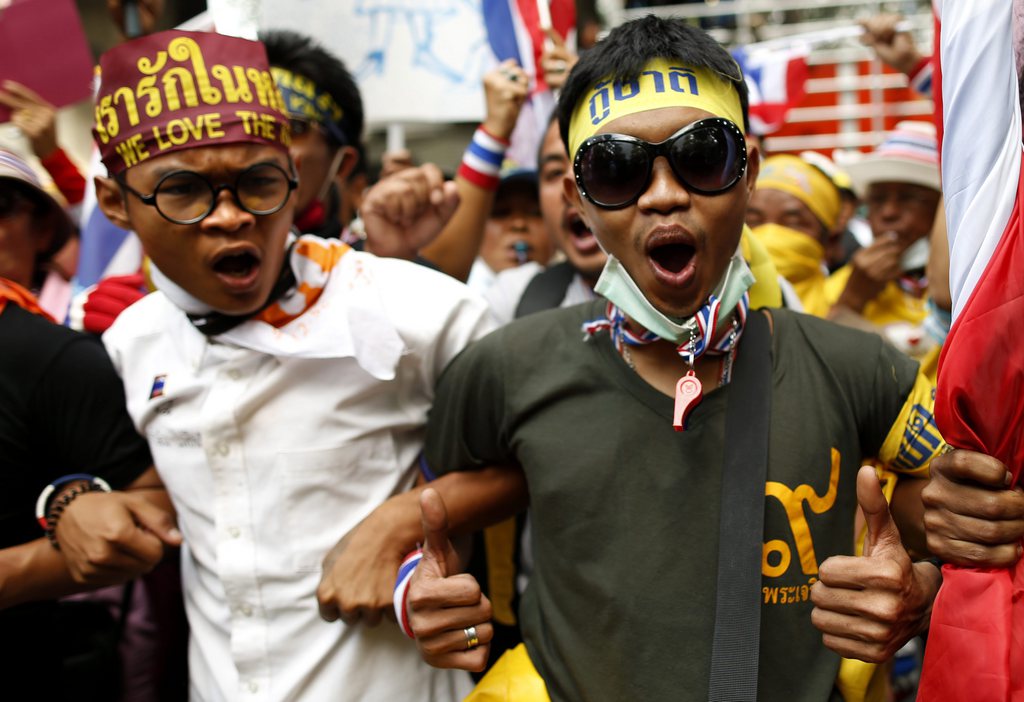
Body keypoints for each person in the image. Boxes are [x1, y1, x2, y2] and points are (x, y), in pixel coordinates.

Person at [390, 17, 968, 701]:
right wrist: (413, 594)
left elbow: (976, 518)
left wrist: (919, 587)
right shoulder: (504, 368)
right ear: (578, 201)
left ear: (748, 171)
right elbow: (418, 520)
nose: (663, 193)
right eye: (617, 169)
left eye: (702, 156)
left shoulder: (853, 367)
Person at [59, 29, 500, 701]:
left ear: (296, 182)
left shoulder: (414, 309)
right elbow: (155, 495)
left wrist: (405, 520)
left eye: (258, 183)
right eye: (184, 191)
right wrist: (69, 502)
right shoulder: (130, 344)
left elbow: (556, 439)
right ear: (116, 204)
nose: (231, 217)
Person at [0, 149, 174, 698]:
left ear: (42, 225)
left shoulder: (53, 357)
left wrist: (63, 506)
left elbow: (158, 513)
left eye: (0, 205)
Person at [823, 121, 942, 358]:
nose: (888, 213)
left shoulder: (968, 286)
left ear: (942, 209)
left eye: (910, 199)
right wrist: (852, 300)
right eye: (877, 200)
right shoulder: (839, 288)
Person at [746, 153, 843, 317]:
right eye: (754, 221)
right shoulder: (718, 309)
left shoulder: (850, 296)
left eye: (793, 223)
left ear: (829, 241)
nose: (770, 235)